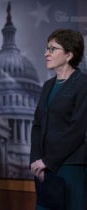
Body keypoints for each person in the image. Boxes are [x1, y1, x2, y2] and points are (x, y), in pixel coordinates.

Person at [30, 28, 87, 210]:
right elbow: (37, 125)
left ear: (69, 55)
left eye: (53, 49)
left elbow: (77, 130)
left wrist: (48, 161)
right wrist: (36, 160)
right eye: (47, 48)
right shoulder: (47, 85)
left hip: (70, 166)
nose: (46, 53)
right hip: (43, 169)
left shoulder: (83, 84)